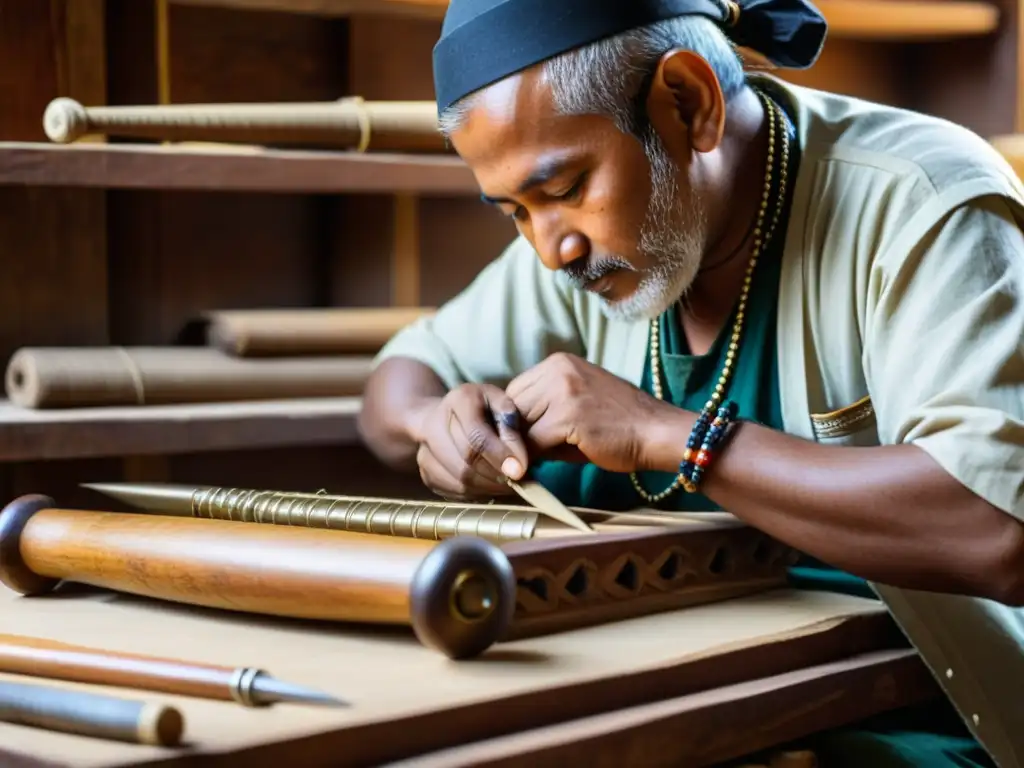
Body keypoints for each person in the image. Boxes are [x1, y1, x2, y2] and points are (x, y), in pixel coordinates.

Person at [357, 0, 1024, 764]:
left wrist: (664, 435)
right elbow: (396, 384)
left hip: (923, 723)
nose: (551, 251)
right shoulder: (587, 248)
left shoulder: (922, 200)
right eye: (515, 212)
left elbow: (998, 527)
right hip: (679, 708)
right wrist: (437, 423)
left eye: (567, 188)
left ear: (688, 103)